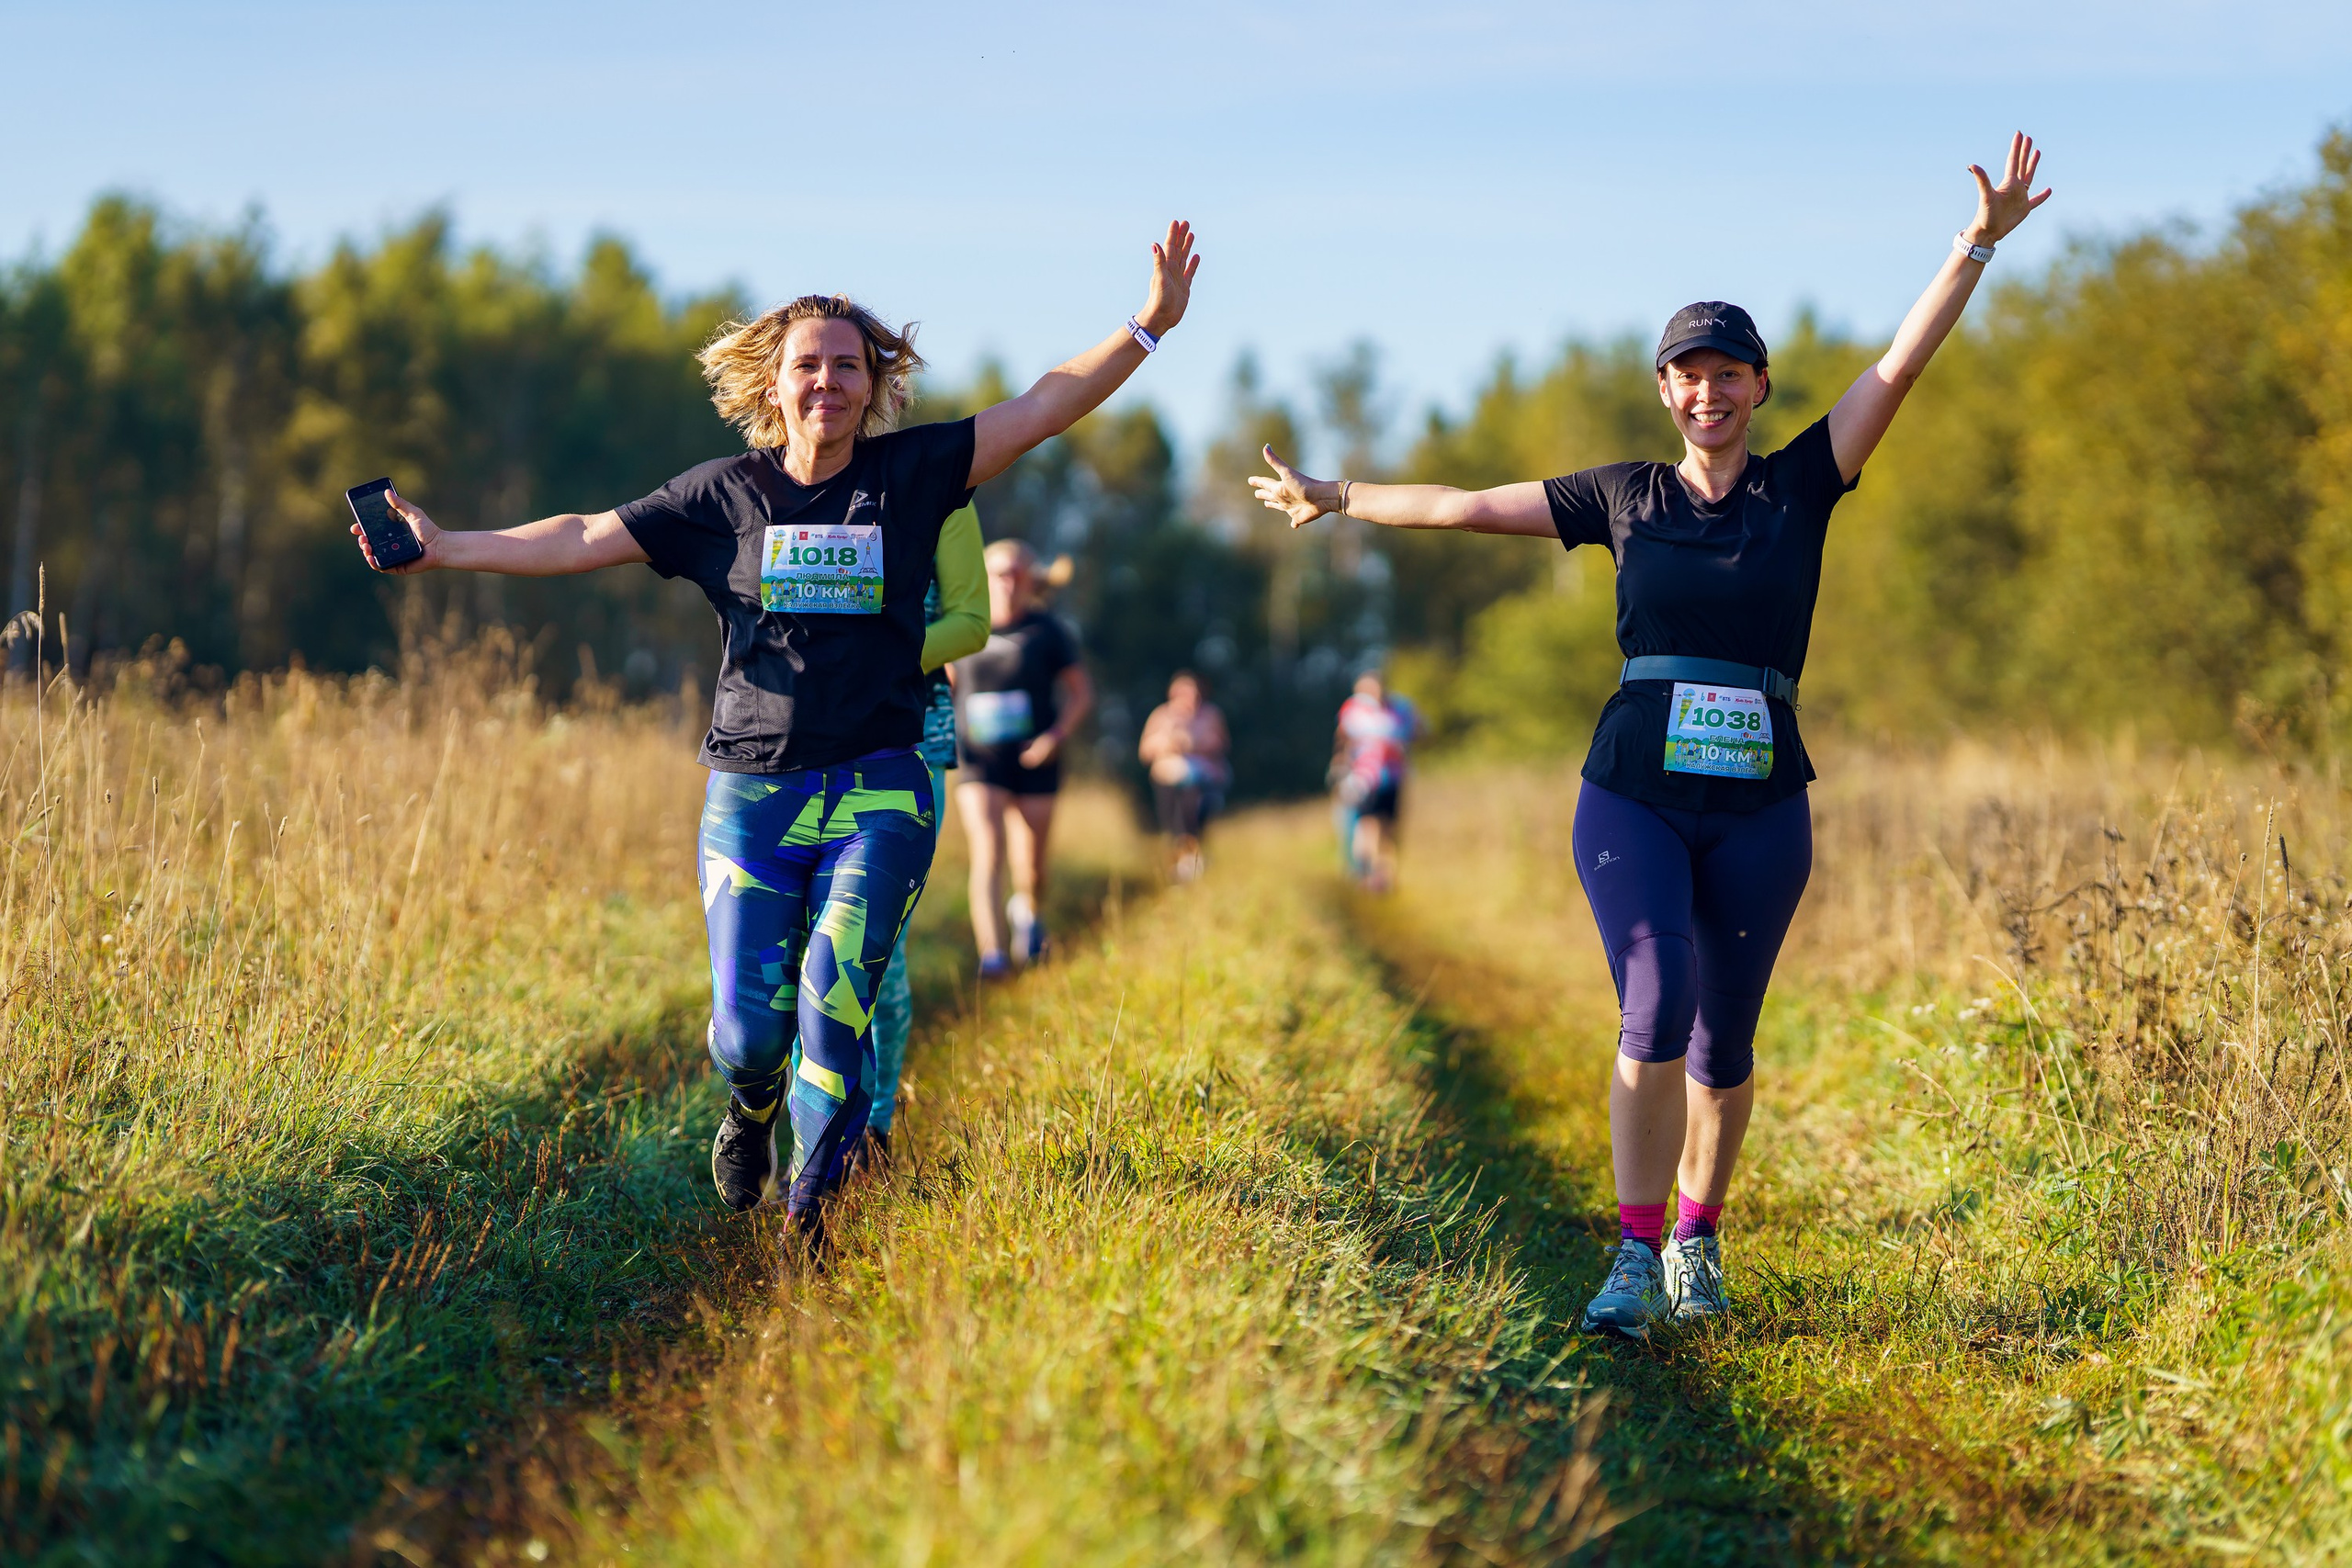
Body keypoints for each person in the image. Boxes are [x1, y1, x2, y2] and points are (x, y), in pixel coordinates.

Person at [1253, 138, 2051, 1337]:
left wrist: (1973, 247)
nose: (1707, 393)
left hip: (1762, 802)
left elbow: (1900, 362)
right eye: (1688, 375)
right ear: (1665, 391)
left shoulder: (1801, 486)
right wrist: (1338, 495)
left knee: (1725, 1041)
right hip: (1632, 788)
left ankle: (1695, 1239)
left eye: (1728, 373)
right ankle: (1631, 1255)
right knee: (1655, 996)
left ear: (1759, 387)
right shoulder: (1624, 496)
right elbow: (1465, 506)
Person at [351, 220, 1200, 1244]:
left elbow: (1044, 404)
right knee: (748, 1034)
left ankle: (810, 1215)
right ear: (774, 381)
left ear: (873, 385)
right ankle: (751, 1107)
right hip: (753, 794)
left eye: (849, 366)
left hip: (882, 787)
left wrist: (1148, 326)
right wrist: (445, 547)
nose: (828, 382)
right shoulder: (723, 495)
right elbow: (580, 536)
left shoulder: (915, 474)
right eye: (809, 365)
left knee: (832, 1006)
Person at [858, 501, 988, 1168]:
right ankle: (811, 1132)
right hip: (805, 735)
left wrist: (882, 654)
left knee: (882, 948)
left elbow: (969, 622)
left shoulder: (940, 488)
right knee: (804, 947)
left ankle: (875, 1124)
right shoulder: (800, 476)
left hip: (913, 736)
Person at [954, 538, 1091, 976]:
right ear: (984, 577)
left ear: (1032, 580)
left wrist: (1055, 738)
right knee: (988, 851)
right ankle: (992, 957)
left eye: (1017, 573)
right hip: (979, 759)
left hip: (1036, 757)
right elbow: (944, 683)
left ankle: (1028, 914)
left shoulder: (1048, 631)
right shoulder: (965, 625)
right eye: (1000, 573)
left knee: (1031, 869)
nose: (1008, 581)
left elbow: (1081, 695)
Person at [1331, 671, 1421, 892]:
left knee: (1389, 828)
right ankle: (1367, 874)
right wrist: (1340, 765)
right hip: (1363, 779)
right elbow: (1342, 740)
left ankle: (1384, 876)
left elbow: (1420, 732)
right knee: (1368, 824)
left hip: (1393, 777)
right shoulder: (1353, 709)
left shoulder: (1401, 708)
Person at [1136, 670, 1228, 882]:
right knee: (1174, 827)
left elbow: (1220, 744)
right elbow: (1145, 751)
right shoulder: (1161, 716)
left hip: (1202, 783)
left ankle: (1191, 861)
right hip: (1167, 781)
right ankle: (1181, 863)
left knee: (1193, 820)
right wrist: (1168, 745)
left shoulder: (1210, 715)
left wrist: (1192, 745)